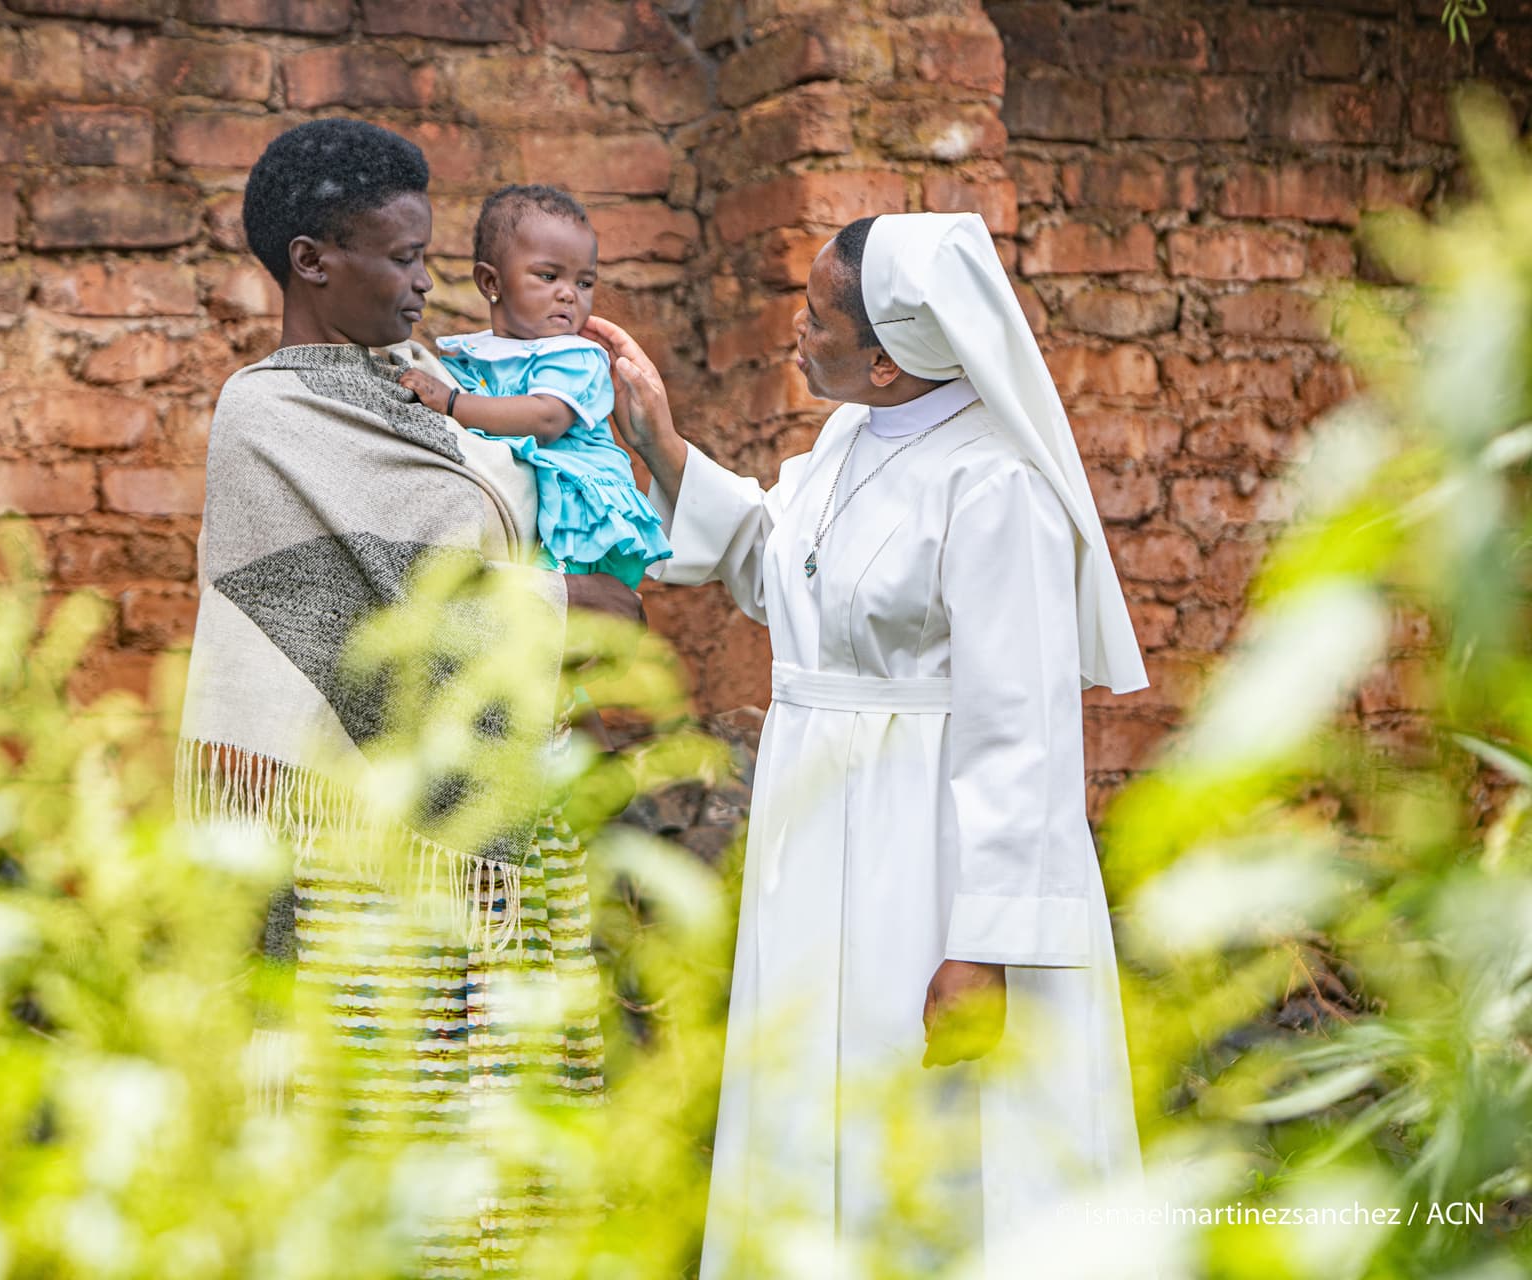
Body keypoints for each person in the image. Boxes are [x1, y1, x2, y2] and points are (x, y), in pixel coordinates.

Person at [585, 212, 1146, 1274]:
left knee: (937, 1129)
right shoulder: (849, 439)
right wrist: (660, 440)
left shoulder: (997, 488)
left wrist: (980, 949)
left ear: (888, 361)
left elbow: (1022, 731)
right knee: (812, 1100)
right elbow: (778, 574)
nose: (796, 329)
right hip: (824, 828)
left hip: (926, 851)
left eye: (816, 314)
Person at [177, 118, 633, 1274]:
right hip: (352, 849)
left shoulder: (432, 392)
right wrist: (530, 613)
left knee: (497, 1145)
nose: (427, 280)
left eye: (432, 254)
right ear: (312, 259)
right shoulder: (267, 415)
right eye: (400, 254)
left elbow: (500, 548)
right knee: (384, 1132)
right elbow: (340, 618)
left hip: (495, 828)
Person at [393, 184, 672, 589]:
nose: (568, 294)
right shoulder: (474, 355)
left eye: (584, 283)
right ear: (491, 281)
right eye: (548, 276)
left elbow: (545, 417)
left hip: (584, 526)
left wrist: (452, 403)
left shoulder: (574, 356)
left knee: (525, 610)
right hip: (538, 518)